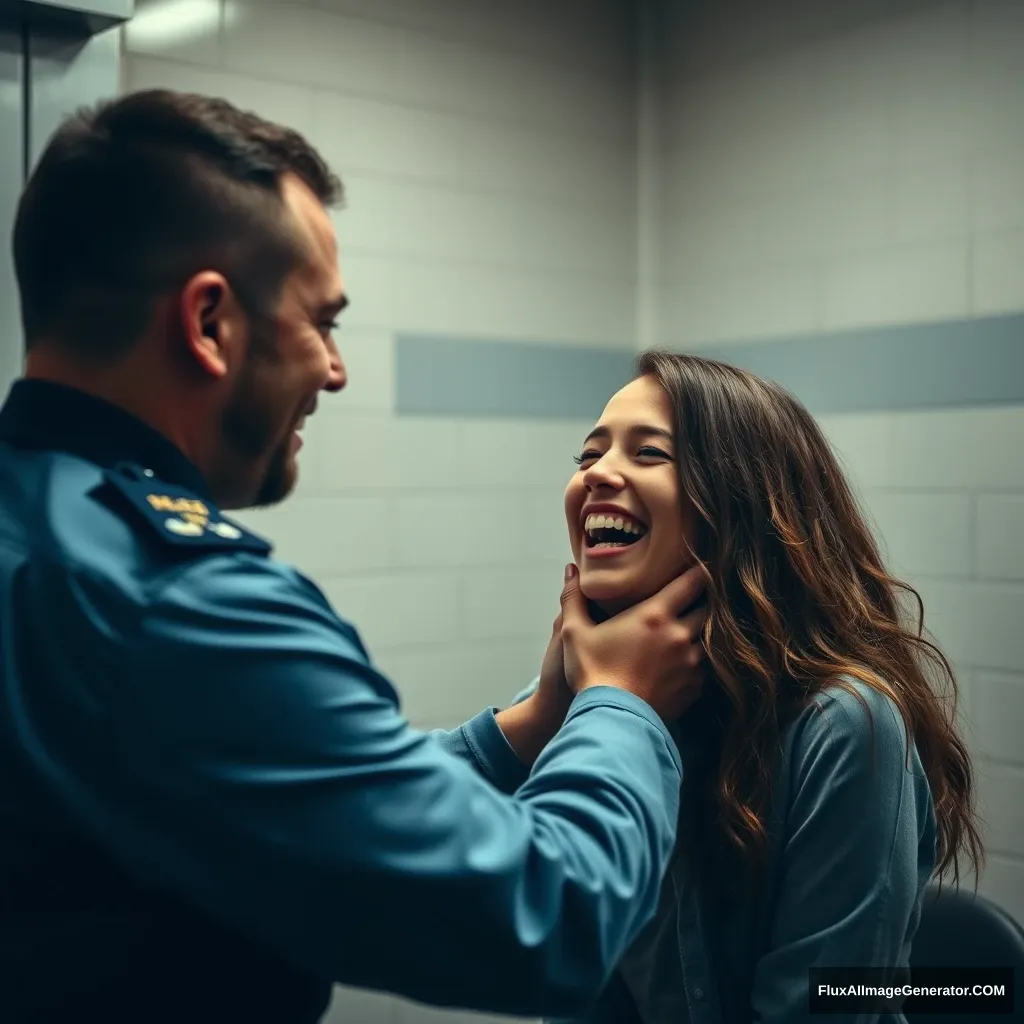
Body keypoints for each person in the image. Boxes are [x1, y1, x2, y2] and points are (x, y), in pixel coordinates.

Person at [0, 90, 708, 1023]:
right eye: (321, 323)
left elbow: (302, 795)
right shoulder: (175, 603)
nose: (334, 370)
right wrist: (622, 706)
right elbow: (547, 918)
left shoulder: (39, 534)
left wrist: (539, 722)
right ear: (209, 323)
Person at [522, 351, 984, 1024]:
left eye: (649, 454)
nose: (597, 475)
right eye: (587, 455)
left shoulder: (847, 727)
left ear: (745, 502)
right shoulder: (594, 708)